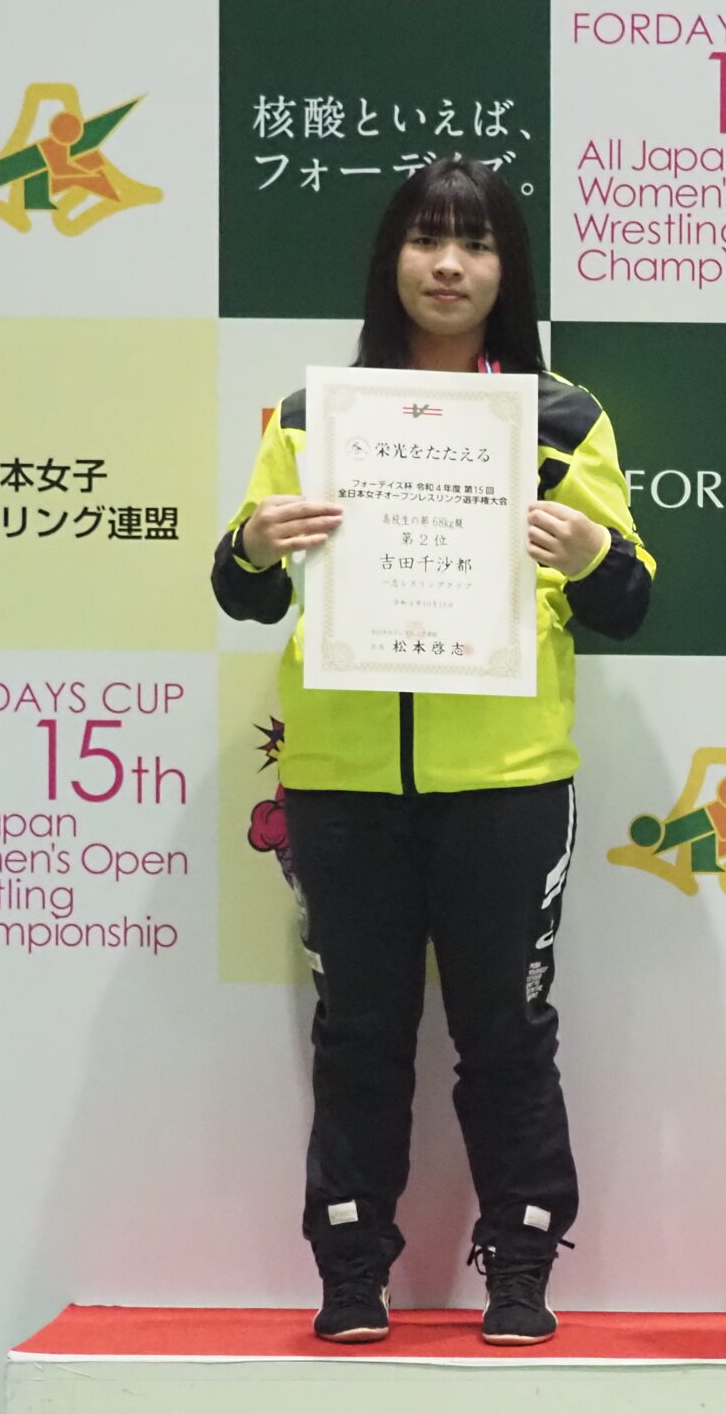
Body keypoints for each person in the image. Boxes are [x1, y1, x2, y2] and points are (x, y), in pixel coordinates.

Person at [212, 157, 656, 1346]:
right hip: (342, 779)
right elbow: (244, 589)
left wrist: (586, 556)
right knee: (357, 1033)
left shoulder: (562, 419)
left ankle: (521, 1261)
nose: (448, 265)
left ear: (510, 270)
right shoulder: (317, 418)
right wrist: (253, 544)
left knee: (504, 1033)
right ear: (390, 260)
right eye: (425, 239)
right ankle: (351, 1264)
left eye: (475, 242)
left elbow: (628, 598)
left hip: (507, 783)